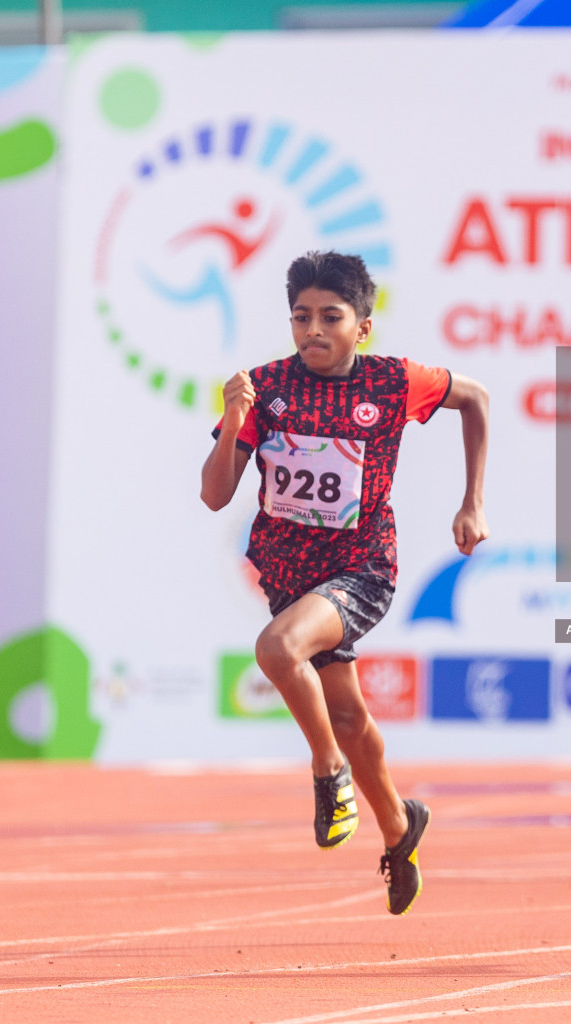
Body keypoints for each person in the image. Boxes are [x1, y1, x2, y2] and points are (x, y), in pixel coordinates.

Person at [200, 250, 489, 914]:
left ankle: (328, 772)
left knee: (277, 651)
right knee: (352, 715)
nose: (313, 331)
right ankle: (398, 826)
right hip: (286, 569)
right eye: (301, 317)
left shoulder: (394, 381)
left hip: (360, 568)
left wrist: (472, 500)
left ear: (362, 325)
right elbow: (215, 495)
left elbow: (475, 398)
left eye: (330, 317)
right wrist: (235, 422)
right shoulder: (265, 388)